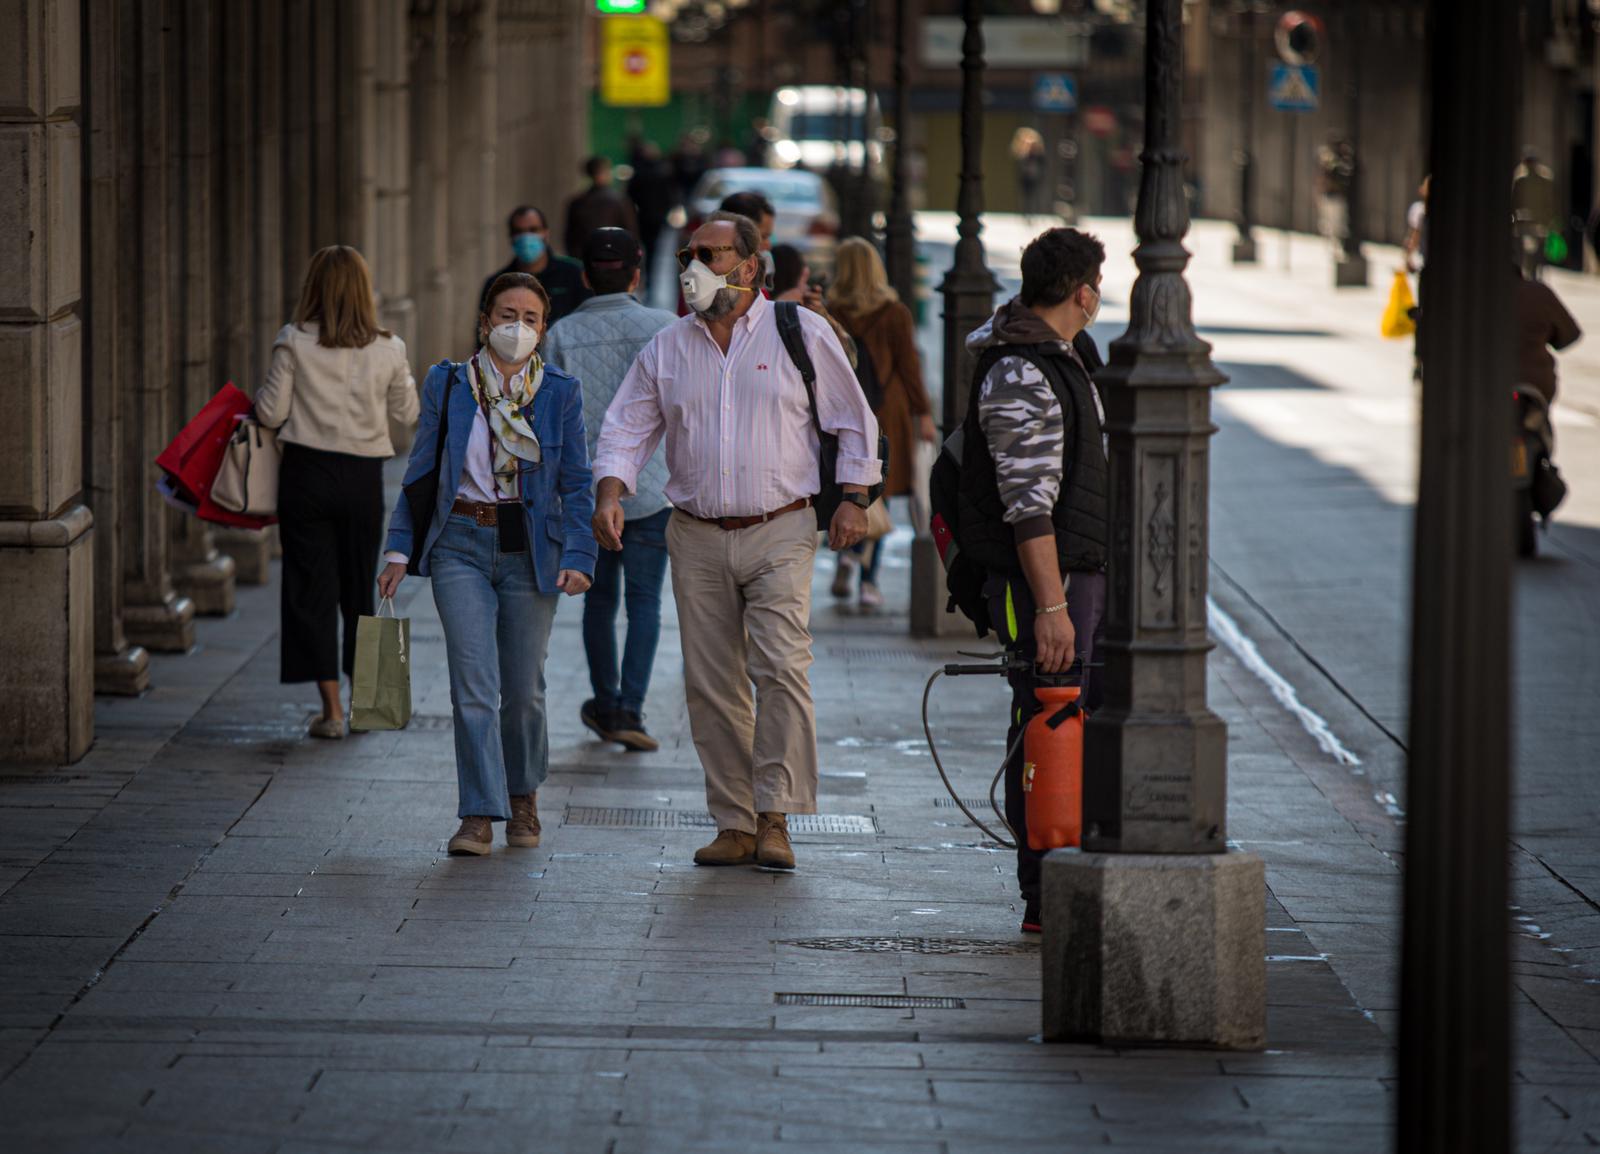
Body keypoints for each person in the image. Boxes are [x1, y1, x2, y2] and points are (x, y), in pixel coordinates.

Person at [592, 213, 881, 872]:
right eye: (690, 253)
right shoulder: (669, 346)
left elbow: (852, 418)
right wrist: (610, 492)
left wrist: (856, 500)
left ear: (750, 268)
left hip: (781, 526)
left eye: (710, 254)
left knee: (781, 666)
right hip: (694, 533)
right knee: (712, 683)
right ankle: (735, 820)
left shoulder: (799, 331)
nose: (694, 264)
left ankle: (775, 814)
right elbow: (625, 427)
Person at [377, 273, 597, 856]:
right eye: (506, 314)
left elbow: (577, 483)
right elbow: (421, 469)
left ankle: (521, 794)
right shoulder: (449, 385)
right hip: (459, 544)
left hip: (531, 552)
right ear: (483, 321)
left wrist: (580, 555)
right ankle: (477, 812)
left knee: (523, 689)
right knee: (473, 686)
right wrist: (399, 548)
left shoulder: (560, 394)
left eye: (529, 317)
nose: (516, 327)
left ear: (543, 329)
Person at [956, 228, 1109, 934]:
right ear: (1083, 291)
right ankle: (1044, 896)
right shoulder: (1021, 371)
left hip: (1077, 574)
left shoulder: (1066, 355)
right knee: (1048, 723)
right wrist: (1051, 606)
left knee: (1067, 723)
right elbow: (1027, 504)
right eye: (1098, 285)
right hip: (1044, 584)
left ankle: (1065, 879)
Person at [255, 245, 418, 740]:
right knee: (356, 589)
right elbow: (410, 413)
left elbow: (269, 412)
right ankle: (362, 704)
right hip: (363, 478)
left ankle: (329, 710)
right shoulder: (389, 348)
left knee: (311, 589)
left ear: (314, 290)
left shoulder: (294, 342)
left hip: (307, 474)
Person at [543, 229, 678, 753]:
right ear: (637, 274)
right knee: (645, 603)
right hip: (653, 491)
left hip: (588, 493)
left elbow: (551, 420)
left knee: (599, 604)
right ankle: (630, 709)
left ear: (583, 276)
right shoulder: (666, 329)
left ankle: (604, 701)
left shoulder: (560, 335)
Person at [826, 238, 936, 610]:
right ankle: (868, 582)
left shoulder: (829, 309)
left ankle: (846, 555)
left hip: (842, 412)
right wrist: (923, 414)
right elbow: (909, 367)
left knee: (851, 491)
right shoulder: (894, 312)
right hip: (887, 415)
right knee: (880, 498)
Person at [480, 206, 590, 331]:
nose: (526, 237)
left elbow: (587, 321)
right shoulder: (496, 283)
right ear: (511, 238)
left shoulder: (574, 274)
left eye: (533, 230)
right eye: (519, 231)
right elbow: (483, 335)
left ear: (546, 233)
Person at [1514, 263, 1582, 407]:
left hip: (1489, 384)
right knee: (1536, 421)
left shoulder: (1470, 295)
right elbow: (1569, 336)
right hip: (1536, 384)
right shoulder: (1538, 292)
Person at [563, 156, 640, 261]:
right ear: (606, 172)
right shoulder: (620, 200)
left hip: (586, 259)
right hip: (614, 259)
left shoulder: (577, 202)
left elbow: (570, 237)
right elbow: (631, 233)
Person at [627, 142, 677, 280]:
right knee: (653, 249)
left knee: (641, 247)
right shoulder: (662, 172)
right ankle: (649, 277)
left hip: (642, 216)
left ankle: (642, 275)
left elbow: (630, 195)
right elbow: (669, 196)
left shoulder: (639, 172)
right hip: (656, 217)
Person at [1512, 151, 1558, 280]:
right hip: (1536, 223)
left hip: (1528, 223)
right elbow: (1551, 203)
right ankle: (1535, 276)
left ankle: (1530, 276)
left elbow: (1514, 202)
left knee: (1529, 255)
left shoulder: (1521, 179)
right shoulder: (1544, 179)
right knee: (1536, 255)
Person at [1403, 175, 1430, 273]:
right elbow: (1413, 237)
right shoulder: (1419, 210)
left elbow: (1413, 236)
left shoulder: (1419, 211)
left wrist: (1408, 257)